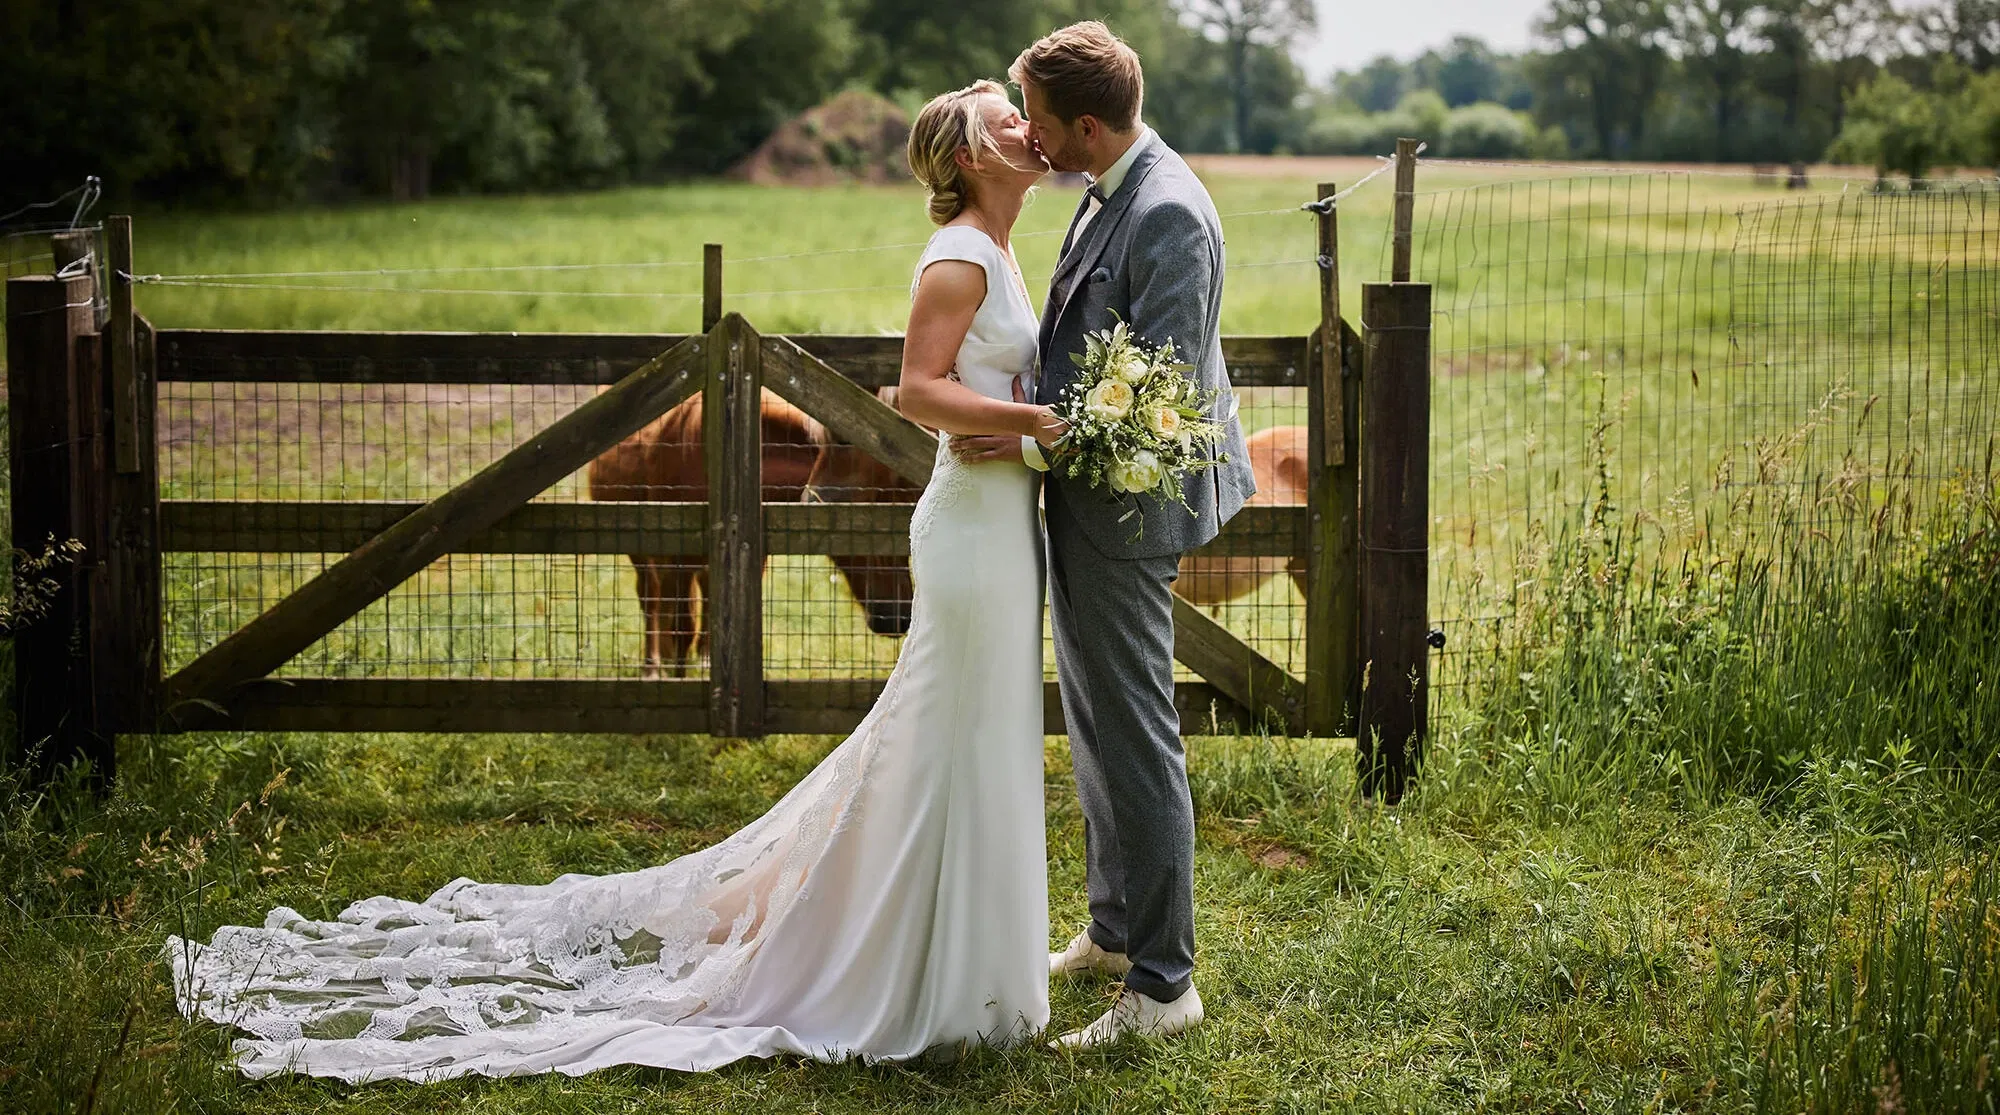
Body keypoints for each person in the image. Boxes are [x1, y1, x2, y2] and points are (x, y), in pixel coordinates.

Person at [166, 79, 1065, 1082]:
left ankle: (966, 958)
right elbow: (916, 390)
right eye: (1004, 122)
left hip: (999, 520)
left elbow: (986, 386)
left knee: (976, 732)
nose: (1025, 129)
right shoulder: (956, 257)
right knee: (947, 729)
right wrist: (1042, 427)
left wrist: (1027, 424)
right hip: (968, 527)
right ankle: (900, 960)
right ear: (966, 159)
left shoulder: (1002, 244)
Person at [955, 20, 1255, 1049]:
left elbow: (1153, 398)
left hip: (1129, 505)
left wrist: (1031, 446)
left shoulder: (1166, 211)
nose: (1026, 135)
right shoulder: (1107, 181)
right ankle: (1115, 929)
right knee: (1091, 717)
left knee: (1134, 735)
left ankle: (1165, 985)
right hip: (1089, 499)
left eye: (1037, 120)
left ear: (1086, 123)